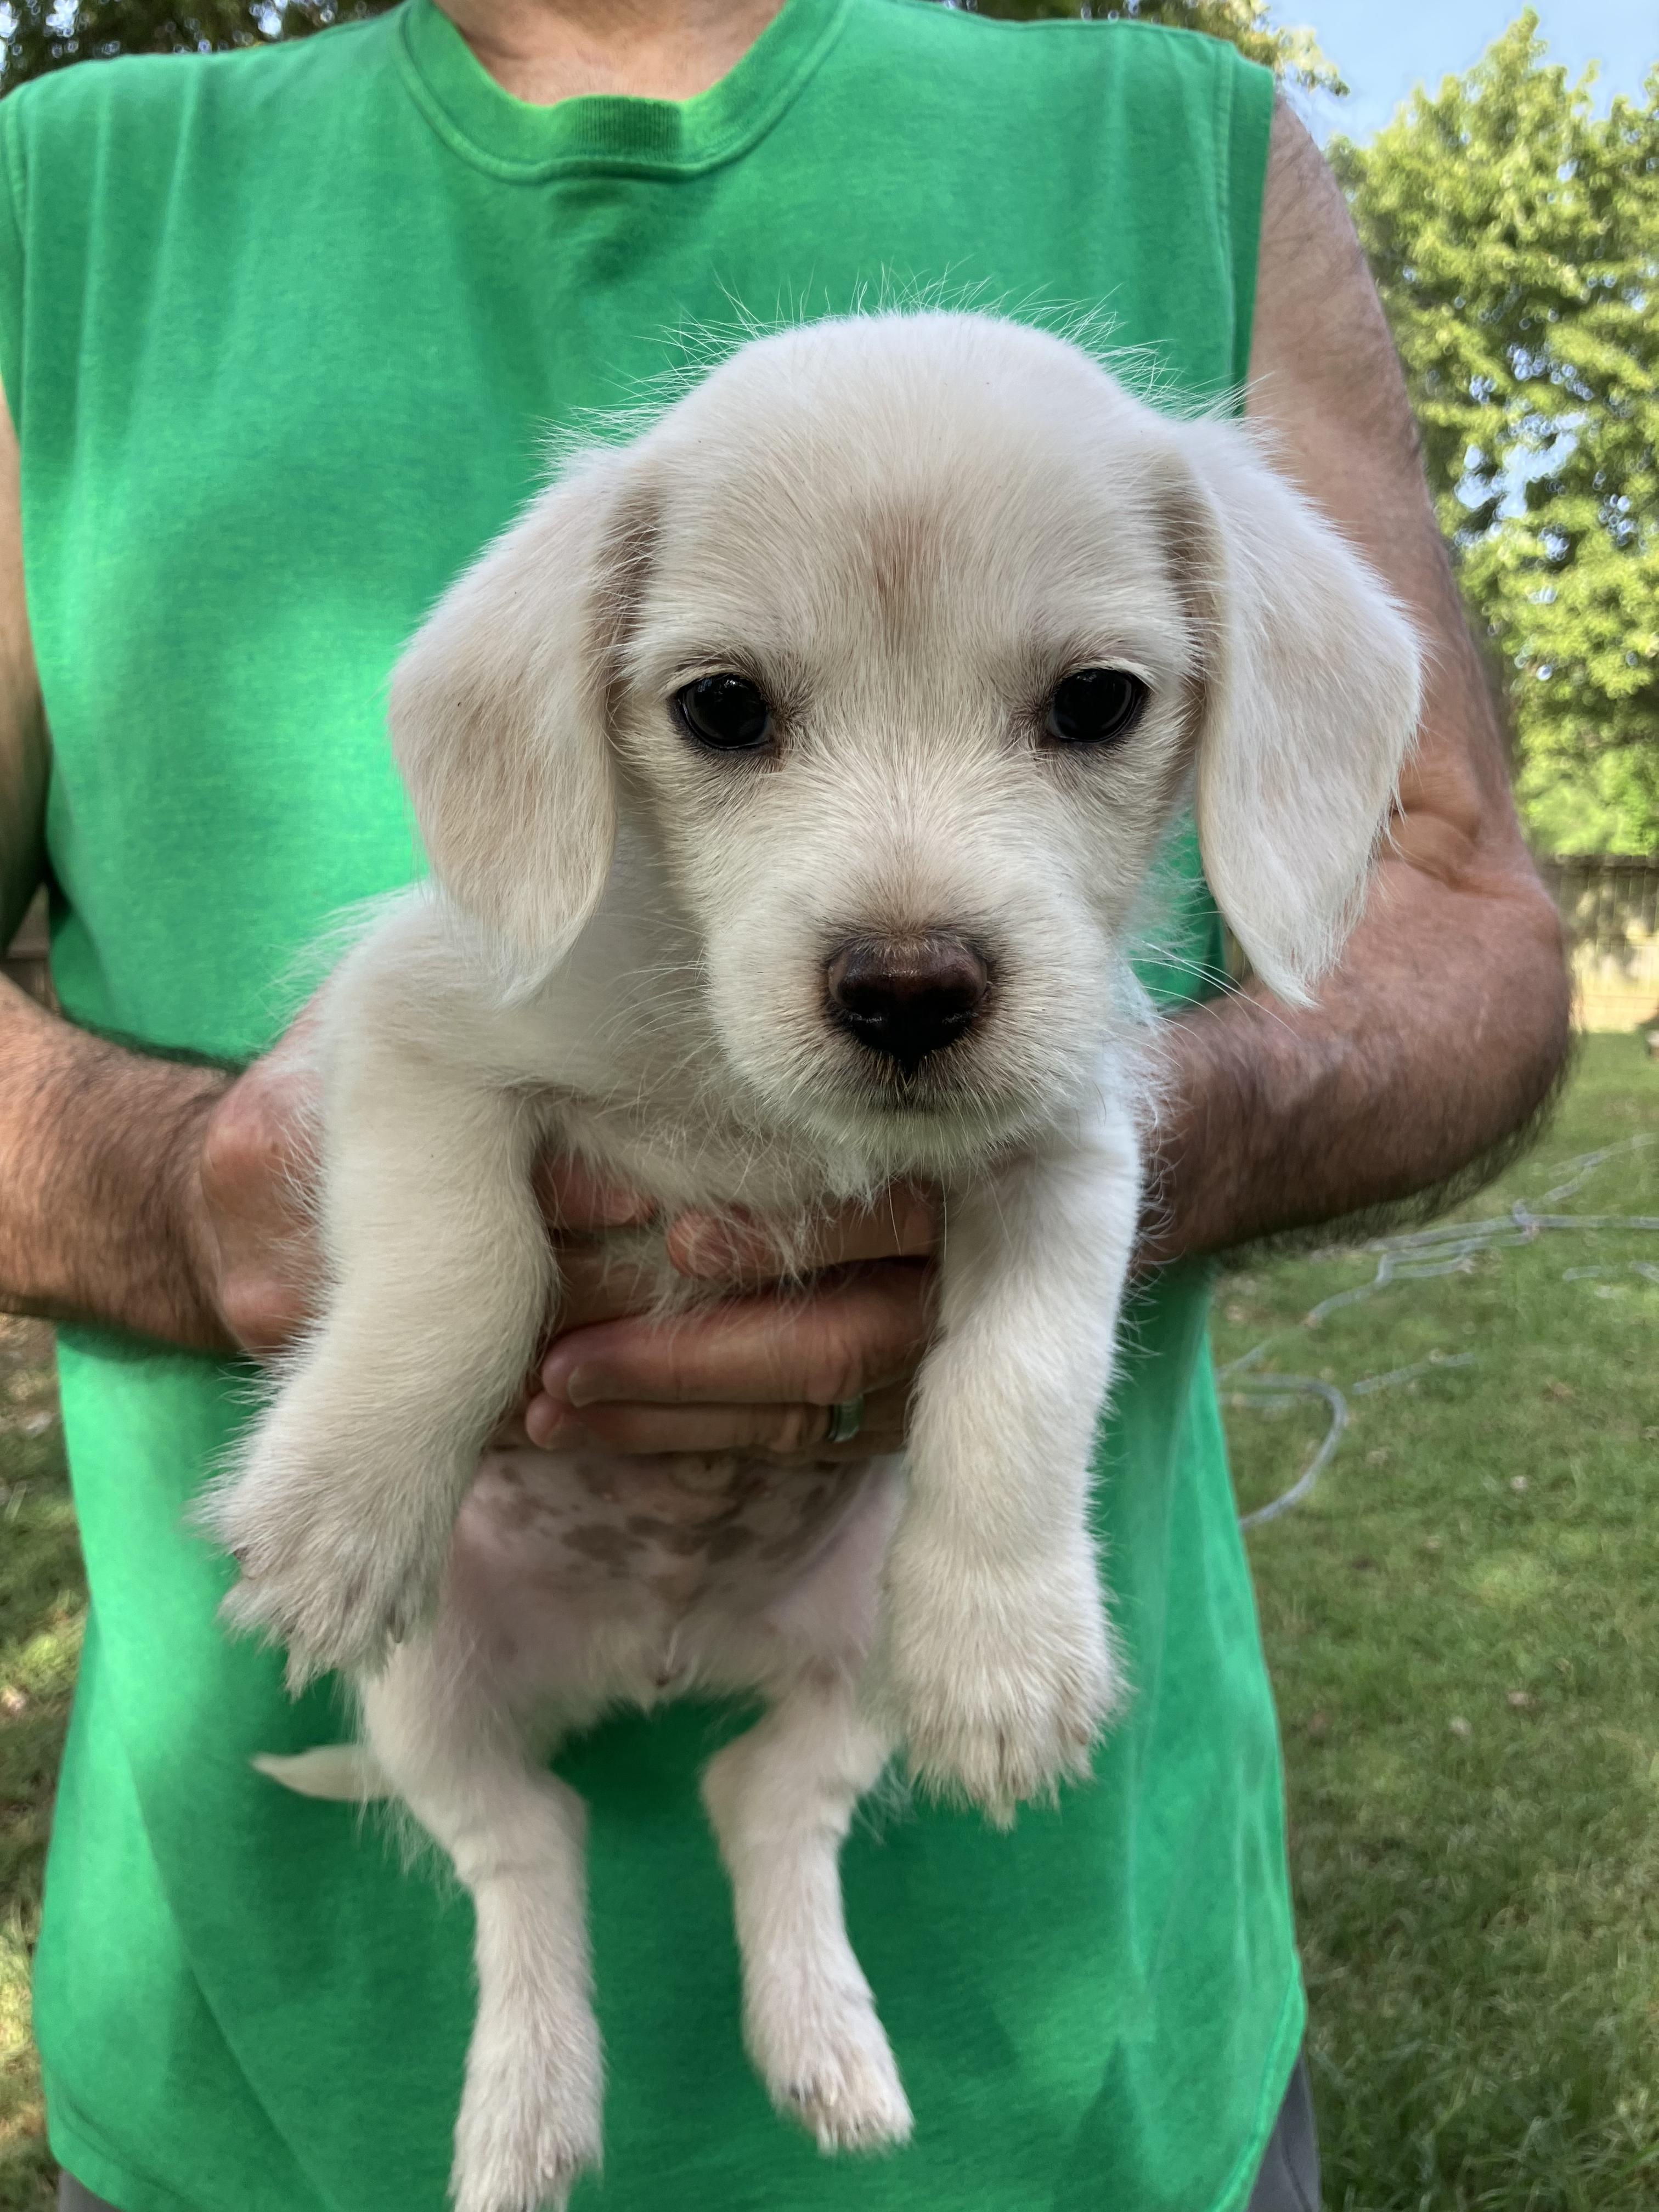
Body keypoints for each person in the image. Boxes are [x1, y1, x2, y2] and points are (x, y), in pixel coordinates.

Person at [0, 0, 1569, 2205]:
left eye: (1088, 705)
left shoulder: (1191, 139)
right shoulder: (54, 199)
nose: (911, 934)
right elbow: (430, 1039)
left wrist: (1033, 1401)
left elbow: (1455, 902)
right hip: (260, 2090)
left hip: (1092, 2085)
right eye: (733, 714)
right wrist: (206, 1215)